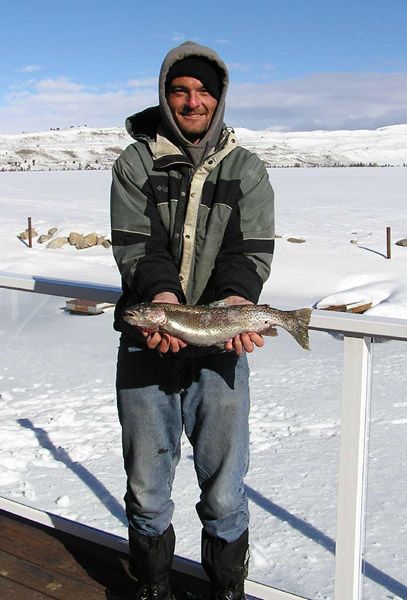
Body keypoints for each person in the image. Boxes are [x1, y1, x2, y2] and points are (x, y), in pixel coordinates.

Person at [111, 40, 275, 600]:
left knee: (225, 491)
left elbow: (251, 250)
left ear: (220, 97)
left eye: (203, 90)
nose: (192, 100)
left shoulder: (247, 169)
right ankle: (152, 586)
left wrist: (236, 302)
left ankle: (226, 588)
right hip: (146, 343)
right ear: (165, 94)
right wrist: (158, 299)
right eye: (180, 90)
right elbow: (136, 247)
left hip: (219, 351)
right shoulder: (135, 163)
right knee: (147, 487)